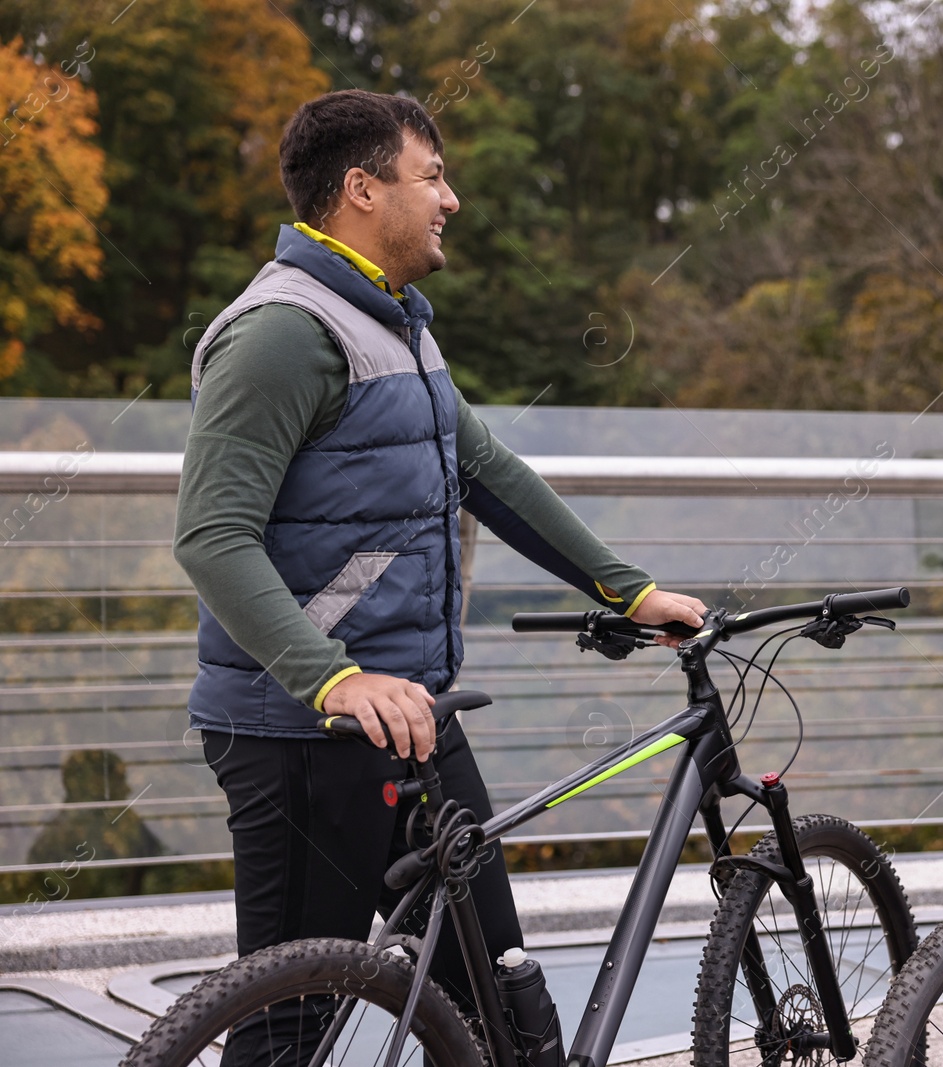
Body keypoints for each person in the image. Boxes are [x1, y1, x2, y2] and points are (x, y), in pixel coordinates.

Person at [172, 89, 706, 1061]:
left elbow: (488, 472)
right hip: (305, 728)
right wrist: (334, 676)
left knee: (502, 1008)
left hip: (418, 714)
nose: (451, 198)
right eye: (433, 176)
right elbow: (211, 535)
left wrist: (626, 587)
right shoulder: (284, 333)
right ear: (362, 189)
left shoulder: (398, 320)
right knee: (291, 1024)